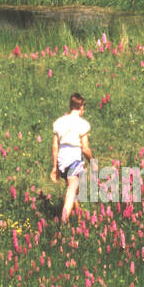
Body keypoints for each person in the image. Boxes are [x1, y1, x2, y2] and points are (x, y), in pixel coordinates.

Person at [51, 93, 92, 223]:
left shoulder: (59, 122)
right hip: (74, 159)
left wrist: (55, 167)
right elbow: (85, 148)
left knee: (74, 188)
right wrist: (92, 161)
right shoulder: (82, 124)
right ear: (81, 108)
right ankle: (63, 220)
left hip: (62, 160)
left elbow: (55, 147)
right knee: (72, 187)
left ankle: (79, 218)